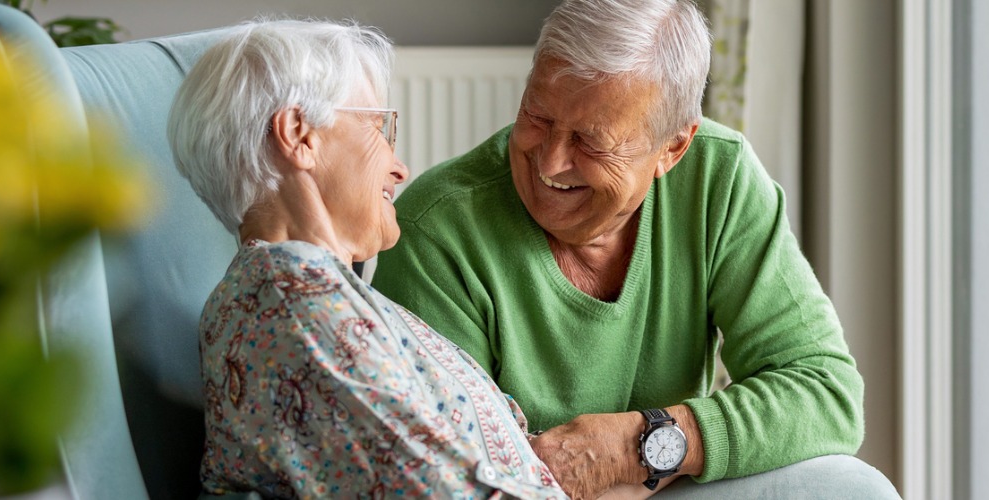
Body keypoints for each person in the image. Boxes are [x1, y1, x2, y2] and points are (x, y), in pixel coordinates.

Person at [373, 1, 897, 497]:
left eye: (590, 140)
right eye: (537, 117)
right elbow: (448, 479)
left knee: (855, 489)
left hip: (663, 483)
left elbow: (826, 393)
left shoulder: (719, 178)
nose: (550, 161)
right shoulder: (436, 230)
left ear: (673, 147)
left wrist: (641, 447)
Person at [168, 20, 566, 499]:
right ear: (300, 135)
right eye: (378, 127)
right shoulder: (293, 300)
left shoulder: (309, 290)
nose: (401, 167)